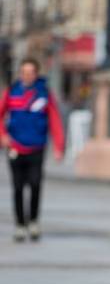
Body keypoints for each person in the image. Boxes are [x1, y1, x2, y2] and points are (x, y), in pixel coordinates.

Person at [0, 58, 65, 241]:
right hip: (15, 147)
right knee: (18, 187)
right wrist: (3, 135)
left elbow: (55, 120)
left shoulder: (43, 93)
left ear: (36, 74)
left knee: (35, 185)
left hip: (37, 147)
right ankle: (20, 225)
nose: (27, 76)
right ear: (20, 74)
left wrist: (58, 147)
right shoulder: (12, 91)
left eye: (31, 72)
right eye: (24, 72)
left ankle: (34, 221)